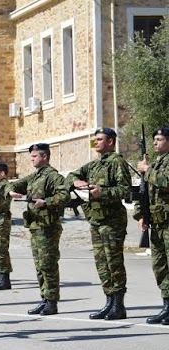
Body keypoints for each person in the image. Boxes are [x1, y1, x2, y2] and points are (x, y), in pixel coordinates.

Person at [66, 127, 131, 320]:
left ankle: (118, 305)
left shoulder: (117, 162)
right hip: (95, 220)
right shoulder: (94, 165)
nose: (96, 143)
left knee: (114, 262)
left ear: (110, 142)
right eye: (95, 139)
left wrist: (102, 192)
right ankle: (108, 301)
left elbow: (125, 190)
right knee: (102, 263)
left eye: (100, 139)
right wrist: (76, 182)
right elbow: (71, 175)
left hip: (112, 221)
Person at [9, 143, 70, 315]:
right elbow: (16, 185)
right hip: (36, 226)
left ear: (44, 157)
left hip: (48, 227)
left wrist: (47, 202)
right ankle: (44, 298)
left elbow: (64, 195)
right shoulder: (35, 177)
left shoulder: (53, 176)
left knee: (48, 264)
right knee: (39, 265)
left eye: (34, 156)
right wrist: (11, 191)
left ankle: (52, 301)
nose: (31, 159)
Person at [136, 127, 169, 325]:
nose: (155, 143)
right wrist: (142, 215)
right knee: (160, 267)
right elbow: (146, 192)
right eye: (154, 139)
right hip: (157, 223)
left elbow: (166, 182)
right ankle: (166, 306)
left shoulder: (156, 166)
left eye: (159, 139)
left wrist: (148, 171)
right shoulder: (156, 163)